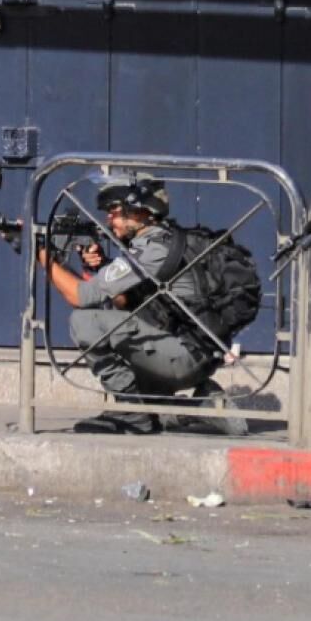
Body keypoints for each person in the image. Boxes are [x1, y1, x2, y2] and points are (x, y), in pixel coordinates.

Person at [37, 173, 239, 435]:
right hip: (186, 349)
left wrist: (41, 254)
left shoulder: (153, 249)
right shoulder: (164, 240)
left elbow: (80, 296)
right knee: (152, 412)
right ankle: (202, 406)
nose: (108, 219)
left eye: (114, 211)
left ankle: (131, 410)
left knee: (84, 321)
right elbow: (123, 301)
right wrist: (98, 266)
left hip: (183, 354)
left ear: (140, 211)